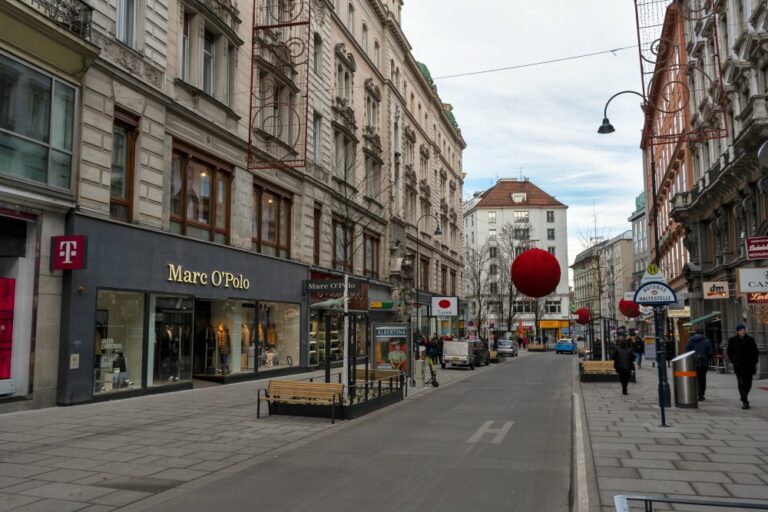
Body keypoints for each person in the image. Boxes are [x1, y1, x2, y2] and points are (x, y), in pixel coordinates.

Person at [726, 323, 759, 409]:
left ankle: (744, 396)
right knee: (741, 383)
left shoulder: (750, 340)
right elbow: (729, 353)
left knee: (748, 384)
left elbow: (756, 352)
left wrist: (754, 362)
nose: (743, 332)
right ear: (737, 331)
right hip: (739, 366)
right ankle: (745, 401)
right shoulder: (732, 340)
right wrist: (734, 361)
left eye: (744, 330)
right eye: (741, 330)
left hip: (749, 366)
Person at [684, 327, 714, 401]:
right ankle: (701, 394)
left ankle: (695, 393)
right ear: (702, 333)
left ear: (695, 333)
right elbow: (710, 352)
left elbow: (686, 351)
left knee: (694, 378)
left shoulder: (690, 340)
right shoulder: (707, 341)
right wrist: (707, 359)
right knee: (702, 378)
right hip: (704, 363)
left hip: (693, 362)